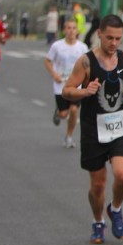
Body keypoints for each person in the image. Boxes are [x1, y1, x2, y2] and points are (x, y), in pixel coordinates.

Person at [62, 15, 123, 244]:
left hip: (120, 127)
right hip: (93, 130)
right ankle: (98, 222)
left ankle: (115, 209)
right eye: (109, 38)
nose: (114, 43)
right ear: (99, 34)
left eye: (118, 38)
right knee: (98, 185)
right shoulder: (86, 62)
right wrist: (84, 92)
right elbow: (67, 90)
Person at [46, 18, 89, 148]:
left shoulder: (82, 47)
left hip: (77, 86)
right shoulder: (57, 46)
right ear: (64, 30)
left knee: (74, 110)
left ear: (77, 30)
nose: (71, 31)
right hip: (61, 85)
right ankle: (58, 113)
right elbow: (48, 61)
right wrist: (55, 74)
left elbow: (87, 65)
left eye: (73, 28)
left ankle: (68, 137)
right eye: (68, 28)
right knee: (64, 114)